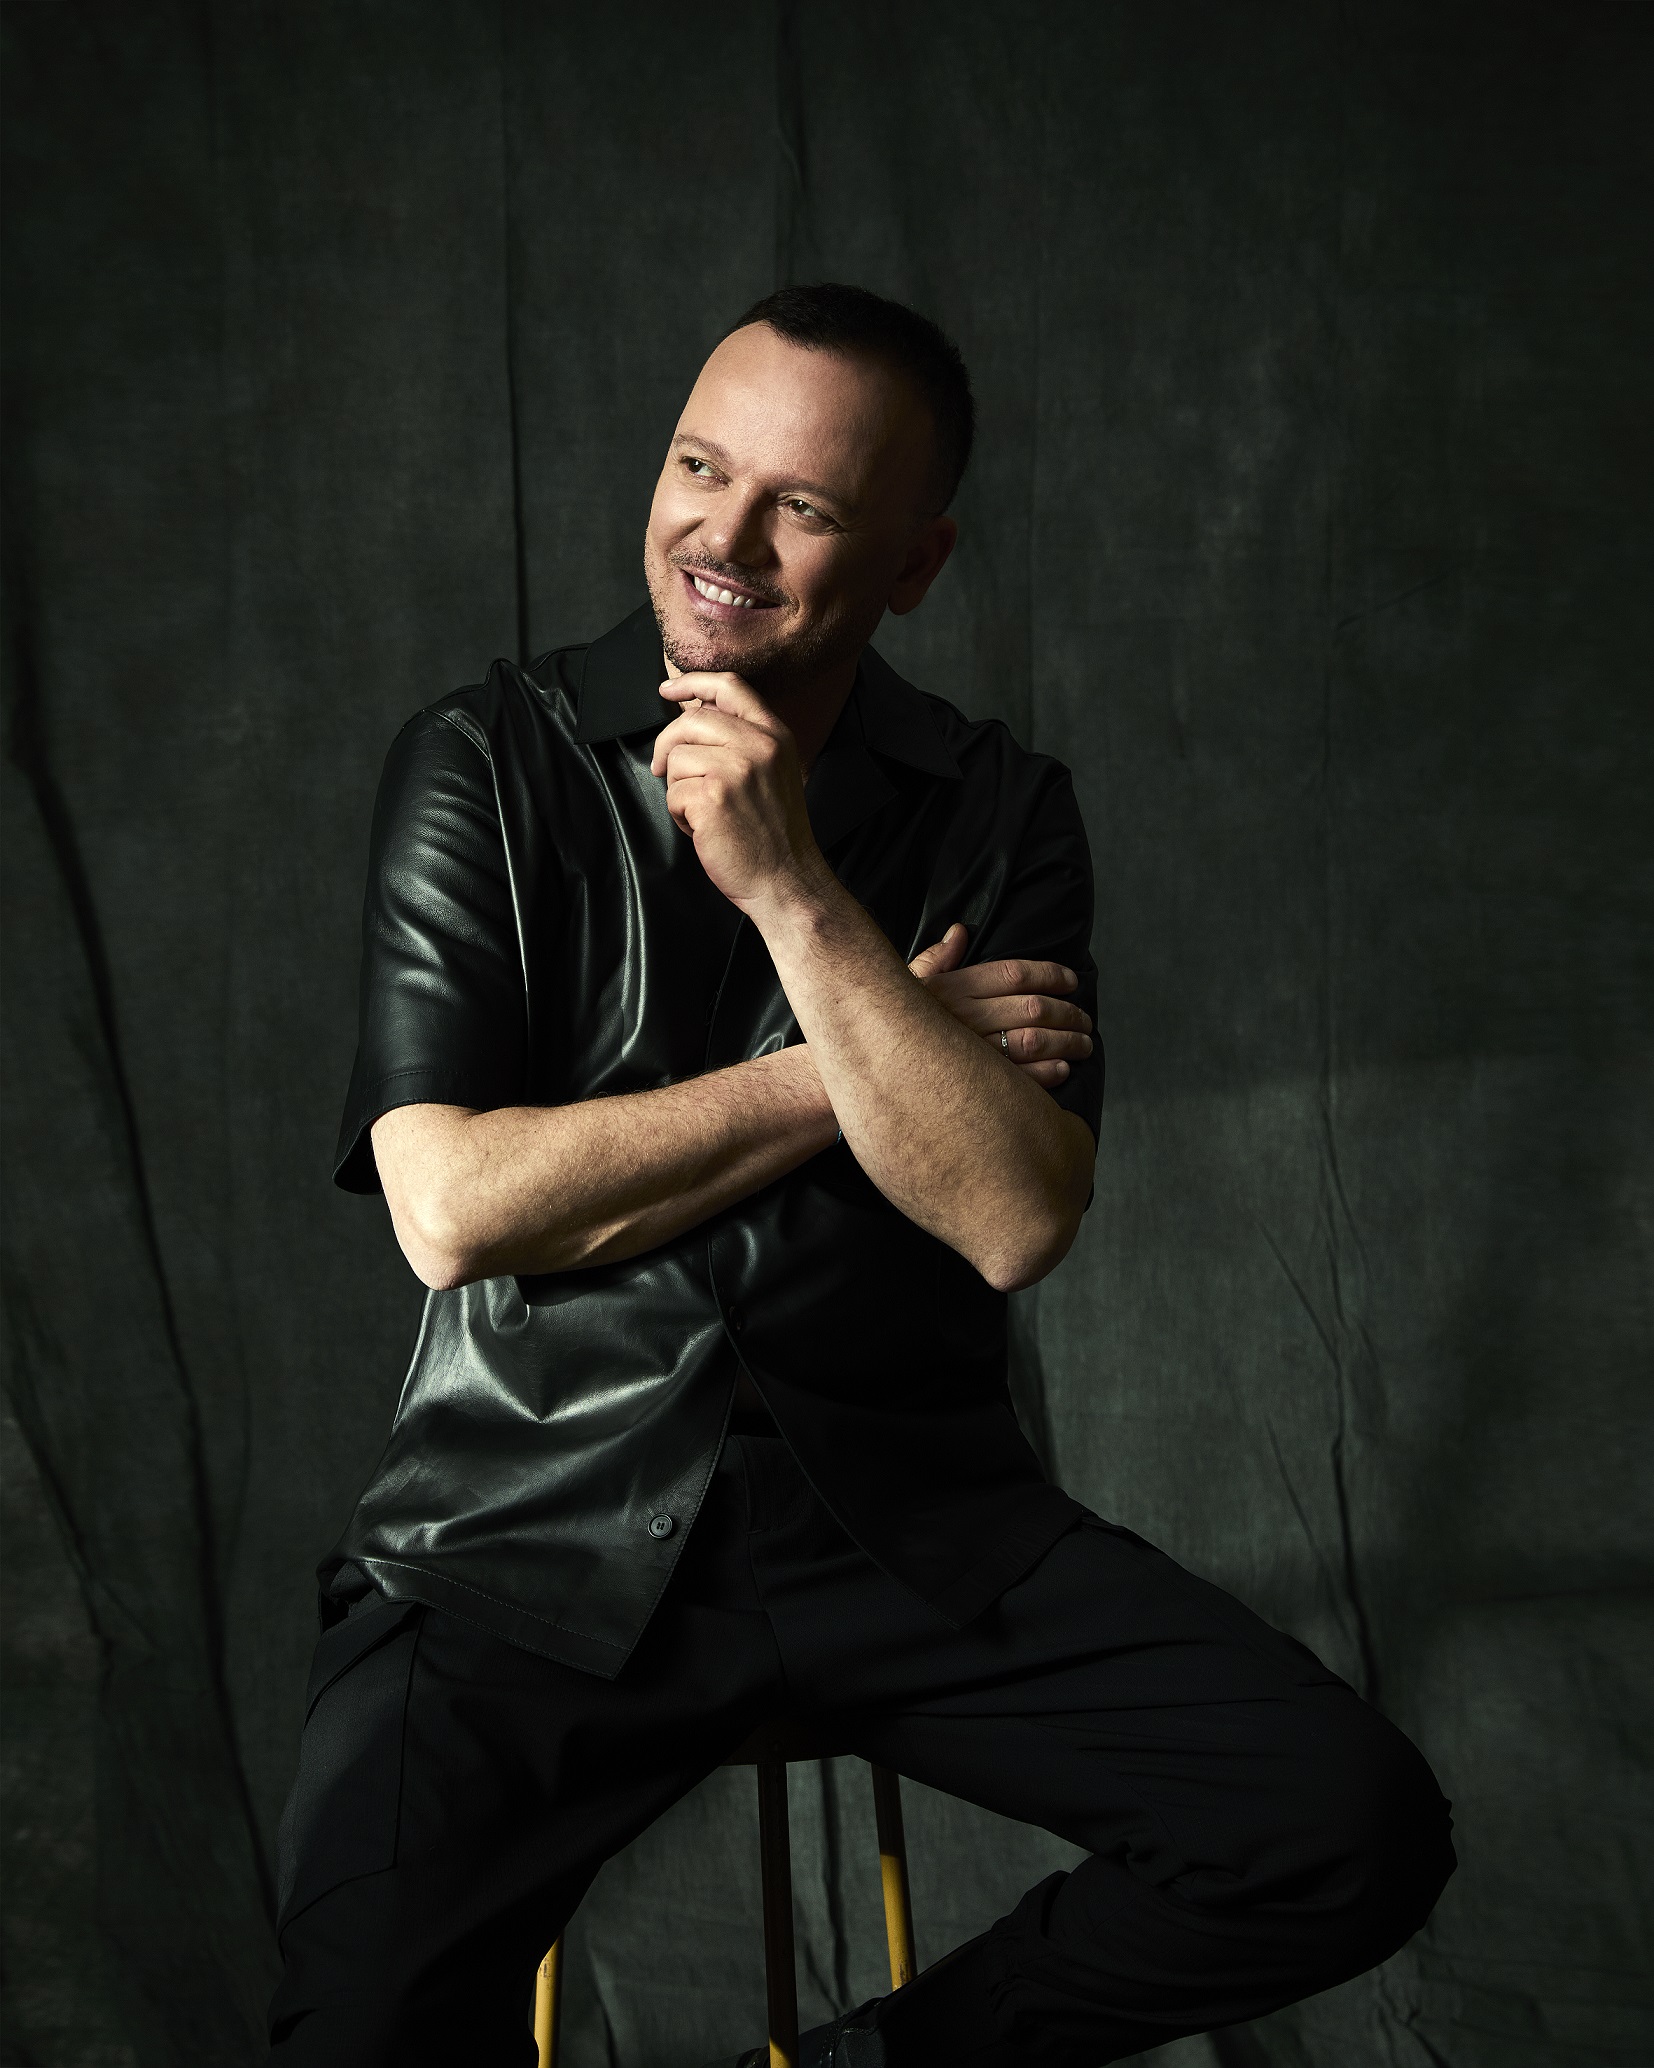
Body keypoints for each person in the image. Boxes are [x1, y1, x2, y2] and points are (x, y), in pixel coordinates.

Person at [268, 283, 1455, 2066]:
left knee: (1338, 1827)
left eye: (803, 507)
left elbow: (1014, 1217)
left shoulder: (996, 805)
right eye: (698, 468)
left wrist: (793, 894)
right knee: (354, 2036)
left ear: (913, 562)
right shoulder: (485, 761)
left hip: (910, 1524)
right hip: (526, 1521)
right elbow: (452, 1210)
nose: (722, 539)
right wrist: (878, 1053)